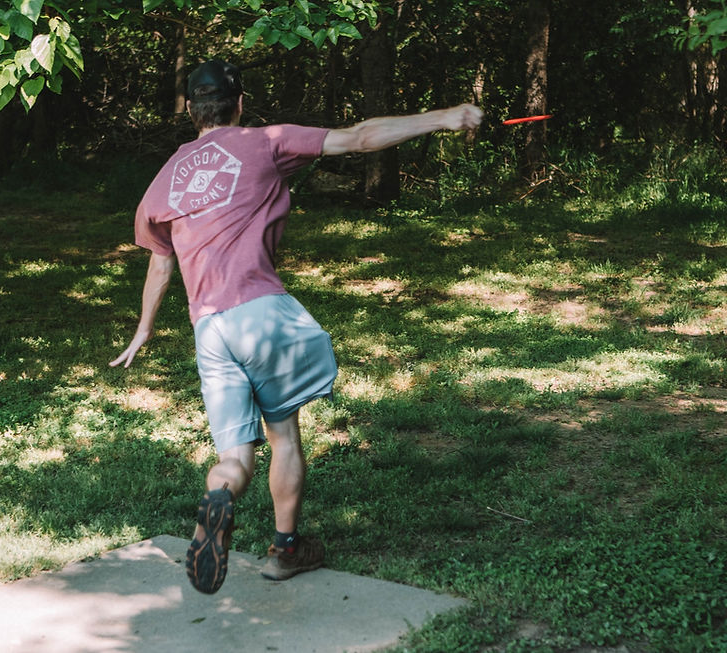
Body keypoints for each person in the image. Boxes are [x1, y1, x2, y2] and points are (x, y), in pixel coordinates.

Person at [110, 59, 483, 595]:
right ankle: (285, 551)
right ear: (240, 104)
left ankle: (219, 498)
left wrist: (144, 327)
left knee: (233, 457)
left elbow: (160, 262)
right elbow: (358, 138)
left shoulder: (166, 177)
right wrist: (444, 116)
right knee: (282, 432)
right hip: (258, 312)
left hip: (208, 328)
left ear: (191, 110)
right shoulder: (266, 141)